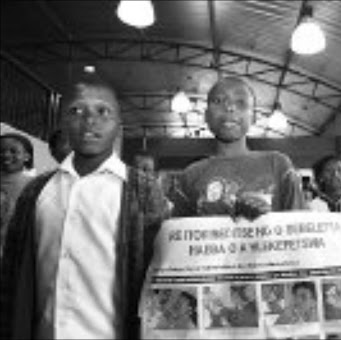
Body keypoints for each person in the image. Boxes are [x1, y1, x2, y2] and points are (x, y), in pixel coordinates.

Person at [0, 74, 172, 339]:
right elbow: (13, 271)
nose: (90, 121)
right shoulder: (37, 191)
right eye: (76, 111)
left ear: (118, 126)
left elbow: (163, 269)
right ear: (63, 122)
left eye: (103, 112)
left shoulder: (143, 190)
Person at [172, 76, 306, 219]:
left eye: (241, 102)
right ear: (206, 116)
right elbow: (177, 236)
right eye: (218, 101)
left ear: (253, 117)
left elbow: (301, 230)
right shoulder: (190, 176)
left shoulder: (278, 165)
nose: (230, 107)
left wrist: (265, 218)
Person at [0, 133, 34, 258]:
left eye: (13, 151)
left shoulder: (34, 185)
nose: (6, 155)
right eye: (1, 151)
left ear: (27, 156)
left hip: (16, 254)